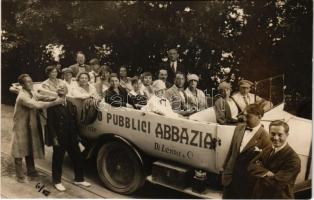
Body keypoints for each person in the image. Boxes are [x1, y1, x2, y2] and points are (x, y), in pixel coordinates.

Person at [10, 74, 63, 183]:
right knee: (18, 150)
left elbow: (41, 97)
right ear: (22, 85)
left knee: (30, 145)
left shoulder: (31, 91)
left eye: (31, 81)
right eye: (27, 82)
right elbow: (37, 105)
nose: (30, 83)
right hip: (20, 125)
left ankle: (31, 171)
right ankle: (20, 176)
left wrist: (55, 96)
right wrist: (56, 102)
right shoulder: (22, 96)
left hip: (29, 124)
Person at [222, 103, 272, 199]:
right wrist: (224, 168)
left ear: (259, 117)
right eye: (244, 115)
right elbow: (231, 150)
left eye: (248, 116)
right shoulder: (239, 128)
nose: (244, 119)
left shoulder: (266, 137)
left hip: (247, 183)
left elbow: (264, 164)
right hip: (230, 179)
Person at [47, 86, 91, 191]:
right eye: (59, 88)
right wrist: (54, 138)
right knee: (58, 159)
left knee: (78, 157)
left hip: (71, 136)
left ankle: (79, 179)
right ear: (57, 91)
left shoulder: (71, 104)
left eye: (63, 88)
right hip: (60, 136)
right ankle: (56, 181)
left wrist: (77, 137)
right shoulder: (52, 105)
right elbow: (50, 124)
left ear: (67, 92)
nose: (61, 89)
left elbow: (74, 123)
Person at [248, 120, 301, 199]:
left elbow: (276, 184)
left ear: (287, 135)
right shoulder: (268, 149)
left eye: (280, 135)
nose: (276, 138)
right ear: (269, 133)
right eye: (272, 134)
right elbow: (250, 166)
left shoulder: (293, 159)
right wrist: (267, 172)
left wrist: (259, 169)